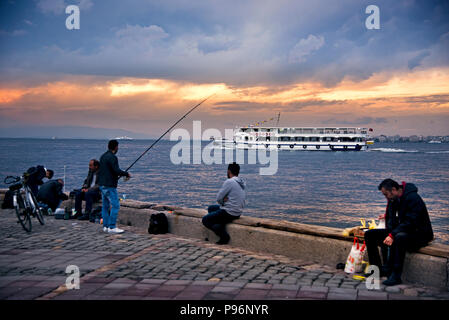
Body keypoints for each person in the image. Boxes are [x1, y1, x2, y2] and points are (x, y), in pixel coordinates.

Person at [364, 179, 434, 286]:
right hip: (403, 230)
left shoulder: (413, 198)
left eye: (386, 194)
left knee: (399, 237)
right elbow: (392, 219)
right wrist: (389, 231)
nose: (386, 197)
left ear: (393, 189)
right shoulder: (394, 199)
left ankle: (396, 275)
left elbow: (411, 222)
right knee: (369, 234)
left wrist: (392, 235)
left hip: (420, 233)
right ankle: (377, 270)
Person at [202, 162, 246, 245]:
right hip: (238, 212)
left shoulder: (229, 182)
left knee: (205, 220)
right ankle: (220, 223)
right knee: (211, 208)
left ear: (229, 171)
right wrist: (225, 201)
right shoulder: (241, 183)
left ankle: (224, 236)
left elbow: (219, 198)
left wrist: (223, 201)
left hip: (229, 212)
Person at [97, 140, 131, 234]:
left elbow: (106, 171)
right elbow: (116, 170)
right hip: (109, 186)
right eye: (117, 147)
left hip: (102, 185)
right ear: (116, 147)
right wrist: (126, 173)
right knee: (115, 205)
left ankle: (106, 227)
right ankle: (112, 227)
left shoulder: (103, 156)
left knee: (105, 207)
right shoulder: (113, 157)